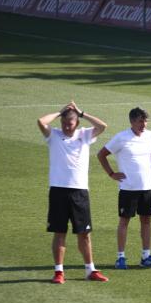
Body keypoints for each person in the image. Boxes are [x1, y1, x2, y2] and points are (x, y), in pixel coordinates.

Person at [37, 101, 109, 284]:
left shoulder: (84, 135)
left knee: (84, 234)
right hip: (58, 190)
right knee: (59, 232)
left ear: (76, 123)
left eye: (70, 123)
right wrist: (60, 112)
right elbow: (41, 121)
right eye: (64, 123)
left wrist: (82, 113)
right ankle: (59, 271)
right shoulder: (53, 135)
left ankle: (90, 269)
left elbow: (102, 126)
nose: (66, 127)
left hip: (79, 191)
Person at [97, 107, 151, 269]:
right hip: (128, 188)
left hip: (147, 187)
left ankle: (146, 256)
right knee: (124, 221)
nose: (144, 124)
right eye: (140, 121)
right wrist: (111, 173)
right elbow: (101, 154)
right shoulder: (121, 137)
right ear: (132, 121)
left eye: (145, 121)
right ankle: (120, 257)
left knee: (146, 221)